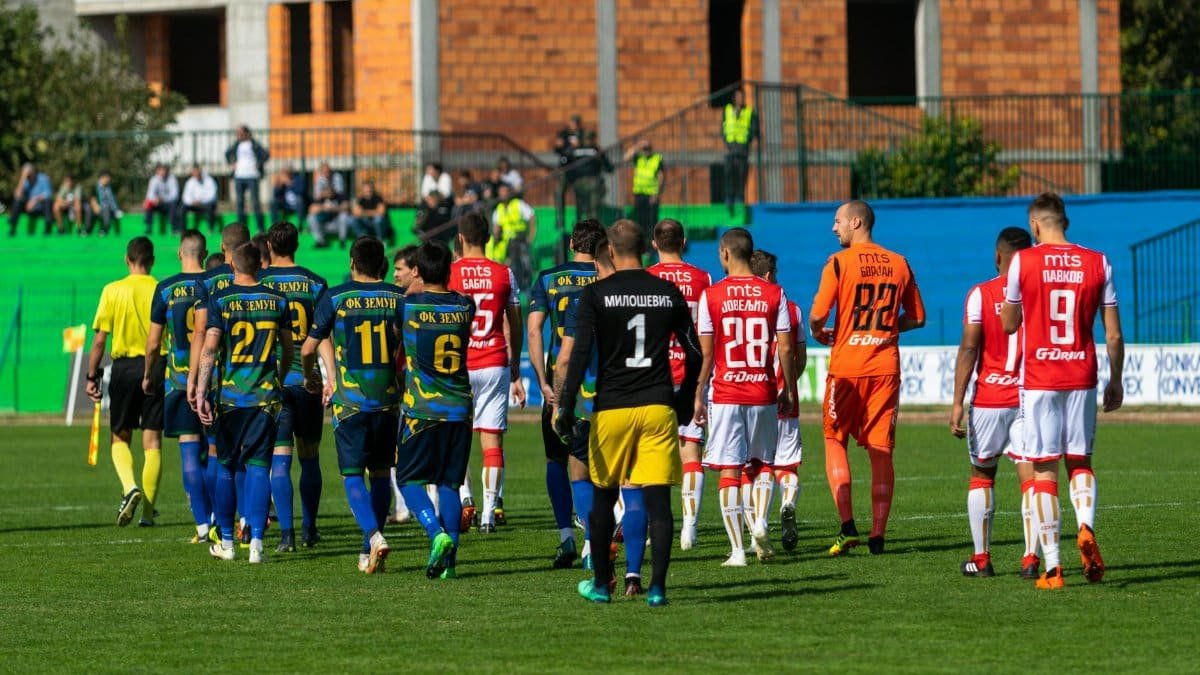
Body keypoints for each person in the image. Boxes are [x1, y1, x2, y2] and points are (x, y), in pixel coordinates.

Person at [555, 219, 702, 607]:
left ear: (612, 252)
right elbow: (695, 351)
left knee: (603, 497)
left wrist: (565, 405)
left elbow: (580, 354)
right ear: (647, 248)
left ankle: (602, 584)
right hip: (656, 405)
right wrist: (684, 399)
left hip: (612, 407)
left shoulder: (596, 294)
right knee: (657, 501)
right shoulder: (668, 292)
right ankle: (656, 588)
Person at [1000, 192, 1124, 589]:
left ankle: (1053, 568)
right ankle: (1085, 527)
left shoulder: (1024, 260)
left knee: (1043, 470)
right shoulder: (1098, 262)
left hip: (1040, 378)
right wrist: (1116, 378)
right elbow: (1114, 334)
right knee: (1080, 461)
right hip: (1082, 373)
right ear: (1065, 220)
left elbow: (1007, 323)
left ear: (1034, 224)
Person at [809, 200, 925, 556]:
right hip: (885, 368)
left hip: (846, 368)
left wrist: (818, 332)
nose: (834, 228)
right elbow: (917, 317)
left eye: (838, 221)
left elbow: (817, 314)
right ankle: (878, 535)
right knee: (880, 450)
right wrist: (886, 328)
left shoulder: (839, 263)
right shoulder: (900, 262)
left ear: (856, 222)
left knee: (833, 438)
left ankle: (847, 527)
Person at [692, 228, 796, 566]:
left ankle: (738, 550)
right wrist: (789, 390)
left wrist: (697, 394)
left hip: (725, 393)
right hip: (763, 390)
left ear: (724, 254)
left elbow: (706, 354)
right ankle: (761, 523)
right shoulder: (774, 293)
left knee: (729, 470)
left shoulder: (712, 295)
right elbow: (784, 347)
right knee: (764, 463)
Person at [302, 236, 405, 574]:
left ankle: (373, 537)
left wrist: (311, 376)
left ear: (352, 263)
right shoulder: (398, 297)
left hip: (350, 403)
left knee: (351, 476)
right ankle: (367, 551)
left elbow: (308, 348)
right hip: (388, 401)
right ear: (383, 265)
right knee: (379, 475)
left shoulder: (335, 296)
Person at [193, 241, 293, 564]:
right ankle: (257, 545)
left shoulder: (220, 298)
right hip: (267, 398)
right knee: (260, 467)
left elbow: (209, 350)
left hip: (231, 399)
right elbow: (287, 349)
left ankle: (226, 542)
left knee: (225, 466)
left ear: (232, 266)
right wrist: (280, 375)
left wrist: (200, 390)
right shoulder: (278, 300)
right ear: (260, 267)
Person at [950, 226, 1038, 578]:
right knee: (1032, 478)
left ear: (997, 256)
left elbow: (970, 348)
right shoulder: (1039, 294)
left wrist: (957, 402)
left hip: (989, 399)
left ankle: (982, 559)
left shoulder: (980, 294)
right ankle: (1032, 558)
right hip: (1031, 397)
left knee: (982, 476)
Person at [392, 240, 476, 579]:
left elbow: (399, 333)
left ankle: (435, 531)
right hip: (459, 407)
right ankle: (450, 567)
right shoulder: (465, 306)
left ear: (418, 271)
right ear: (449, 270)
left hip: (421, 409)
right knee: (450, 485)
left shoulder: (407, 306)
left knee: (408, 479)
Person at [527, 219, 606, 568]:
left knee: (556, 459)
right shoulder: (609, 278)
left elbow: (533, 330)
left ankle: (566, 537)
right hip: (602, 378)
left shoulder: (548, 277)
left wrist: (544, 383)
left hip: (561, 379)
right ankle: (594, 540)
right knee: (595, 464)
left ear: (572, 241)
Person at [448, 213, 528, 533]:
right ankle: (487, 515)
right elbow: (516, 322)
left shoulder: (450, 273)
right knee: (491, 443)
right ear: (490, 238)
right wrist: (514, 367)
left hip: (460, 364)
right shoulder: (504, 274)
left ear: (461, 238)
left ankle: (466, 499)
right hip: (494, 361)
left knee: (457, 437)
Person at [258, 222, 329, 551]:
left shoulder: (261, 283)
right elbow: (324, 334)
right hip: (308, 381)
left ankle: (286, 535)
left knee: (280, 459)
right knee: (310, 457)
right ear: (297, 244)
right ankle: (310, 528)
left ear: (270, 245)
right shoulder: (315, 283)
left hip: (275, 381)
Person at [85, 236, 163, 527]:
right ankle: (147, 514)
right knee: (152, 441)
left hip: (124, 367)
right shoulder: (161, 288)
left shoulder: (112, 290)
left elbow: (99, 341)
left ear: (127, 260)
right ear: (152, 260)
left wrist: (91, 376)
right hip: (155, 365)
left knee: (120, 435)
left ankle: (130, 487)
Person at [645, 219, 712, 550]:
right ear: (683, 242)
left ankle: (646, 526)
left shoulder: (646, 278)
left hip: (653, 375)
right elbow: (706, 332)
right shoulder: (703, 279)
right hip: (690, 373)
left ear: (654, 244)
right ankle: (690, 527)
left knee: (648, 452)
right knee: (691, 451)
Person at [144, 229, 211, 542]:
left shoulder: (166, 287)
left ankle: (201, 523)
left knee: (188, 451)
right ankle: (219, 517)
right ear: (205, 251)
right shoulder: (217, 283)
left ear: (179, 253)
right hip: (215, 381)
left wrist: (149, 374)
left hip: (180, 381)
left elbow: (154, 342)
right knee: (214, 450)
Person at [749, 249, 807, 553]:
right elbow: (800, 358)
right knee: (788, 466)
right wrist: (789, 385)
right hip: (785, 399)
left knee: (754, 467)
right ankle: (787, 502)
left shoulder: (742, 306)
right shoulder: (793, 309)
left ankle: (757, 524)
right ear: (770, 275)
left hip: (751, 397)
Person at [487, 182, 536, 291]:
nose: (503, 194)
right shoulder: (498, 209)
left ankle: (527, 289)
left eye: (505, 191)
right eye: (501, 192)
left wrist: (531, 236)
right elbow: (496, 228)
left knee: (525, 265)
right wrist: (496, 236)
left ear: (510, 193)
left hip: (520, 240)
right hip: (506, 244)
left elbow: (532, 216)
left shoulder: (518, 204)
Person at [225, 125, 269, 232]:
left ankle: (260, 228)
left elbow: (266, 155)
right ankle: (241, 228)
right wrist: (232, 163)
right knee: (240, 202)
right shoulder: (236, 145)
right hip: (239, 176)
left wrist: (259, 164)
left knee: (255, 203)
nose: (239, 135)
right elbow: (227, 154)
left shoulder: (254, 144)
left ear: (247, 133)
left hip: (252, 176)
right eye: (237, 133)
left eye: (241, 133)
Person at [722, 89, 758, 218]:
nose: (739, 99)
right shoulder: (727, 111)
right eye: (737, 97)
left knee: (741, 176)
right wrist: (725, 144)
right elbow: (724, 128)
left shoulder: (749, 112)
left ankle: (739, 200)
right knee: (729, 174)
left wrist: (751, 145)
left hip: (743, 150)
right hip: (730, 149)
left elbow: (754, 130)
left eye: (741, 97)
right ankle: (729, 200)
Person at [567, 131, 612, 222]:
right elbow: (609, 167)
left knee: (580, 210)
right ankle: (593, 232)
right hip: (593, 183)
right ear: (592, 139)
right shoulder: (596, 150)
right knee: (593, 210)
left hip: (578, 183)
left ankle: (579, 231)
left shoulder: (575, 151)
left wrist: (572, 181)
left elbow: (568, 167)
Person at [625, 140, 663, 243]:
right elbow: (626, 157)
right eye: (644, 149)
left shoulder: (657, 159)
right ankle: (643, 244)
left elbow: (660, 177)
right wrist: (637, 146)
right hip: (639, 194)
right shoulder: (638, 158)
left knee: (652, 221)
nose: (646, 151)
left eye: (648, 148)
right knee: (641, 221)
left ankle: (652, 245)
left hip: (651, 195)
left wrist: (657, 193)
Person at [308, 163, 349, 248]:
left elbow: (347, 206)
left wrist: (333, 208)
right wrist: (324, 208)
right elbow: (311, 209)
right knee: (311, 218)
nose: (329, 192)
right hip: (325, 224)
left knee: (344, 216)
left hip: (337, 223)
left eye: (330, 190)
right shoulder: (320, 198)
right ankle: (321, 241)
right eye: (326, 190)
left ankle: (342, 240)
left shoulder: (339, 196)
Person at [8, 162, 54, 236]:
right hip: (28, 208)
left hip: (40, 207)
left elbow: (48, 194)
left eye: (29, 173)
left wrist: (34, 200)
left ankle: (48, 227)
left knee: (47, 201)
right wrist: (23, 178)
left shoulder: (43, 178)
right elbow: (17, 195)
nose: (28, 176)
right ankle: (12, 227)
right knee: (17, 201)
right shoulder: (25, 181)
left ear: (33, 171)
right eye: (26, 174)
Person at [181, 164, 219, 232]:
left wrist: (201, 201)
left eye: (197, 172)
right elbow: (185, 197)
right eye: (194, 173)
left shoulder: (209, 180)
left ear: (201, 172)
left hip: (205, 204)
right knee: (182, 208)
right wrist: (192, 202)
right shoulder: (190, 182)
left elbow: (212, 196)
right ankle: (183, 230)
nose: (196, 174)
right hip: (194, 205)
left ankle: (210, 229)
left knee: (211, 207)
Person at [144, 164, 180, 235]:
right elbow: (149, 194)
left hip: (168, 203)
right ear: (157, 171)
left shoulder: (172, 179)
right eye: (161, 170)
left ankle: (174, 228)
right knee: (148, 203)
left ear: (167, 171)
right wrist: (155, 199)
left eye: (164, 170)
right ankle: (149, 227)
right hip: (157, 203)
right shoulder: (154, 180)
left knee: (173, 205)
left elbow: (174, 195)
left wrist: (163, 199)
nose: (163, 172)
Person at [89, 171, 123, 236]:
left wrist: (117, 208)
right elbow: (92, 199)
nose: (108, 180)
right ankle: (103, 230)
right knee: (106, 210)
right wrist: (96, 206)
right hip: (100, 208)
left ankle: (117, 233)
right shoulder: (95, 187)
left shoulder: (110, 187)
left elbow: (113, 199)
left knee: (116, 213)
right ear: (102, 178)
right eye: (107, 178)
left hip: (111, 208)